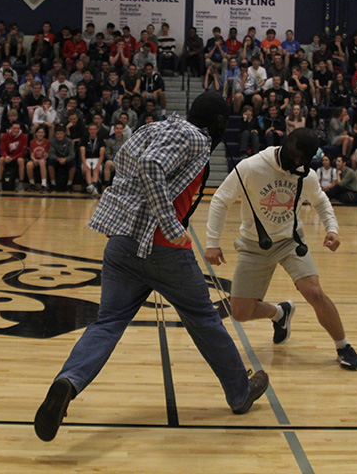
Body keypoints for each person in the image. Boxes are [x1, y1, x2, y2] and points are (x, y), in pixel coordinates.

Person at [35, 93, 268, 442]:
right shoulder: (193, 136)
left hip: (122, 241)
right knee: (203, 318)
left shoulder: (155, 129)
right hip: (161, 246)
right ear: (218, 122)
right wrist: (171, 226)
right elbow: (150, 167)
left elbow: (129, 163)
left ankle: (67, 382)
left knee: (108, 322)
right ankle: (239, 392)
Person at [205, 128, 357, 370]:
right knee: (240, 312)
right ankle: (279, 313)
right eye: (295, 156)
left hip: (290, 242)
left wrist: (332, 228)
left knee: (314, 292)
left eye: (303, 160)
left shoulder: (305, 175)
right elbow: (220, 199)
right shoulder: (251, 167)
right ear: (286, 145)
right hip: (253, 245)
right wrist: (212, 243)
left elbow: (320, 200)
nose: (297, 163)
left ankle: (343, 346)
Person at [0, 122, 28, 192]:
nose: (16, 130)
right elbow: (2, 149)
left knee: (20, 160)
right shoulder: (4, 136)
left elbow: (23, 151)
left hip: (17, 156)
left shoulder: (24, 137)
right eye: (14, 128)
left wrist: (13, 158)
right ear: (10, 128)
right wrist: (6, 156)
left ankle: (21, 183)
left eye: (18, 129)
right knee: (1, 159)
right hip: (7, 156)